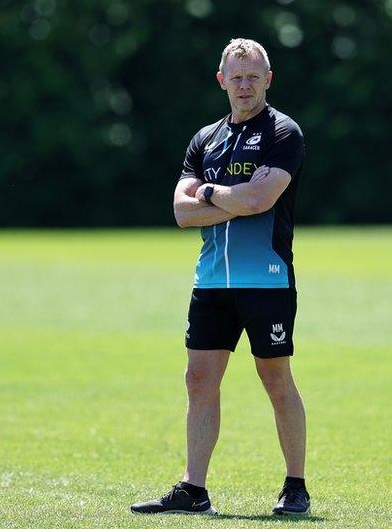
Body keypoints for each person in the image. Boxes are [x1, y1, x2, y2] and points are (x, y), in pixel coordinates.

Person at [131, 39, 310, 516]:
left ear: (268, 79)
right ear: (222, 80)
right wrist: (231, 197)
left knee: (275, 377)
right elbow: (181, 213)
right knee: (198, 379)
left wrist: (209, 191)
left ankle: (295, 485)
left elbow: (260, 201)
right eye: (237, 77)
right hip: (211, 281)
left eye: (254, 76)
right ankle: (194, 489)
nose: (245, 85)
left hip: (267, 279)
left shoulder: (283, 132)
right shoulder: (204, 139)